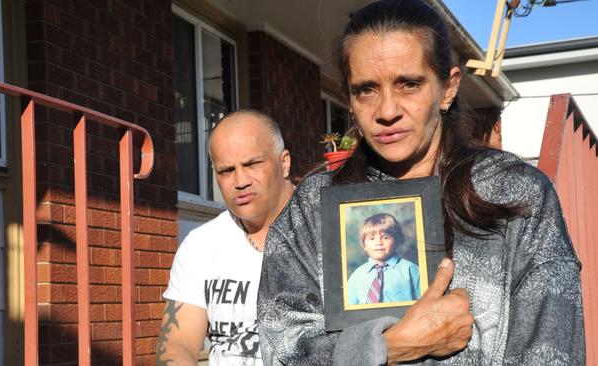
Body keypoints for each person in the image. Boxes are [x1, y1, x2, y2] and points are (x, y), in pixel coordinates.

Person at [257, 0, 585, 365]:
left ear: (448, 88)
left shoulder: (517, 194)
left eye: (409, 84)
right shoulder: (313, 208)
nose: (386, 111)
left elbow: (552, 351)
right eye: (366, 89)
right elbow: (282, 348)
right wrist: (388, 348)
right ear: (348, 98)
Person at [156, 109, 295, 365]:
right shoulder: (201, 246)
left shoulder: (324, 228)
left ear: (284, 163)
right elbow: (177, 343)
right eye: (226, 171)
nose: (240, 181)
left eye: (252, 164)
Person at [347, 213, 420, 304]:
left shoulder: (411, 269)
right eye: (372, 238)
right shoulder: (357, 275)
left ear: (397, 241)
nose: (378, 243)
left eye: (385, 238)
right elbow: (349, 308)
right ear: (364, 245)